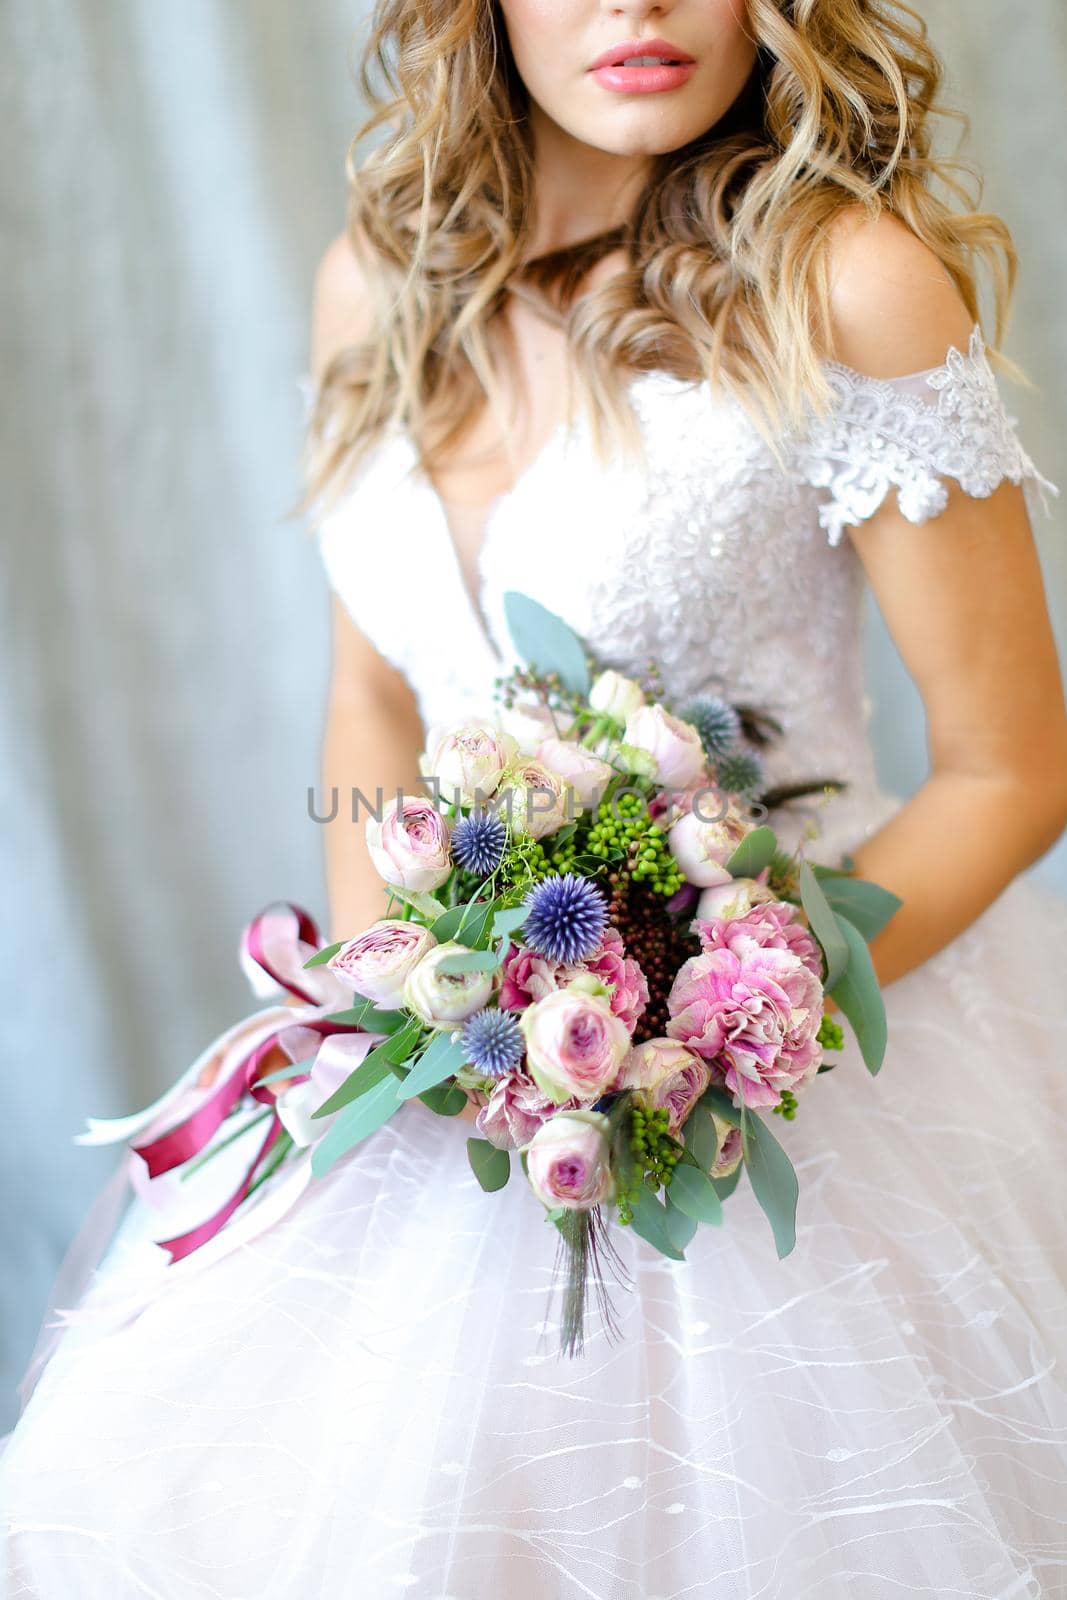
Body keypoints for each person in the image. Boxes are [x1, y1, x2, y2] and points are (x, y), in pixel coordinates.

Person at [4, 1, 1067, 1595]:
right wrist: (392, 1020)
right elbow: (376, 695)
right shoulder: (380, 283)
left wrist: (716, 1025)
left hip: (808, 1066)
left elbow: (1015, 766)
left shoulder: (846, 283)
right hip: (470, 1067)